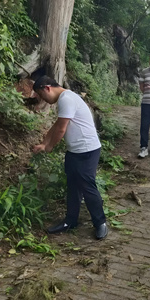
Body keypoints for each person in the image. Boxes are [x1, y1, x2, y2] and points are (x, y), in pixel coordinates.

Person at [32, 76, 108, 240]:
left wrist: (50, 147)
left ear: (47, 88)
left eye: (41, 95)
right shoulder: (65, 98)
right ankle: (70, 221)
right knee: (73, 186)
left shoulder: (66, 99)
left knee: (87, 187)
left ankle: (100, 223)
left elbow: (61, 129)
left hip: (86, 150)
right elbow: (57, 125)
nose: (43, 100)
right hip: (75, 151)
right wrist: (44, 143)